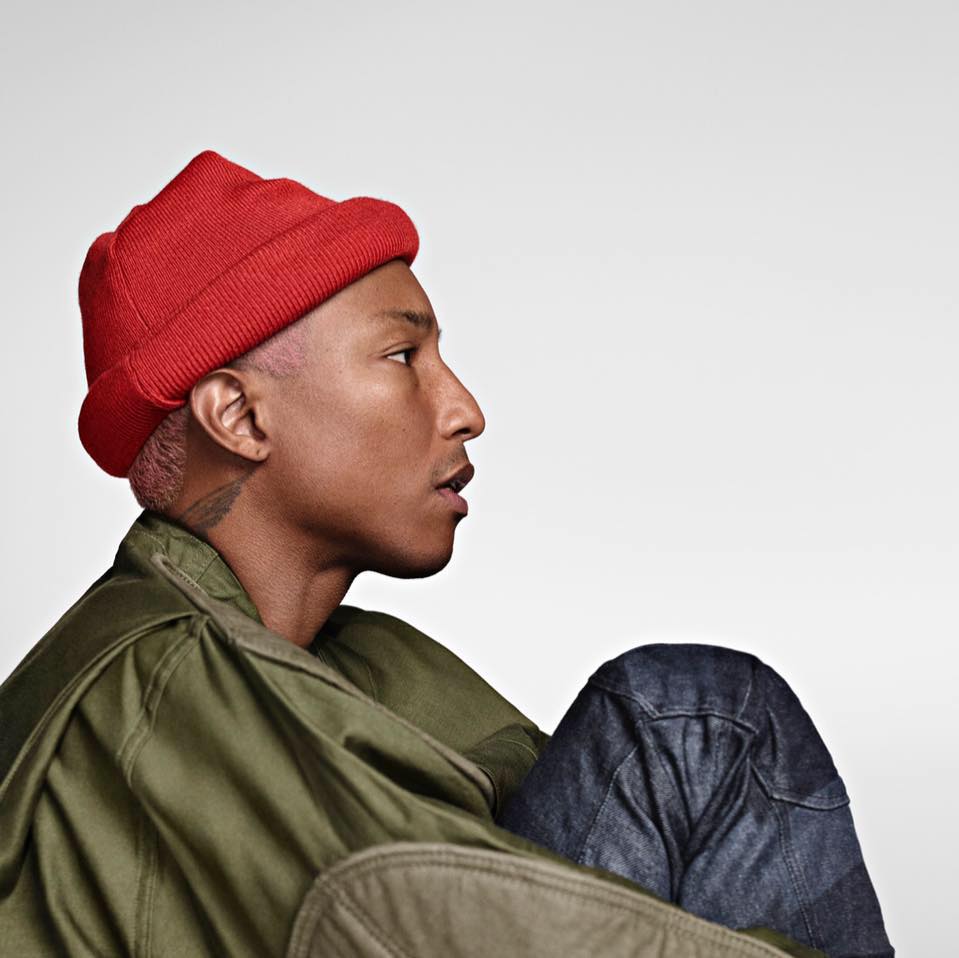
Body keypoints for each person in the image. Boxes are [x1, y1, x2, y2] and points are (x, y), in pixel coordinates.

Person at [0, 150, 892, 957]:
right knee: (693, 712)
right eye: (402, 356)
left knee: (695, 725)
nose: (465, 409)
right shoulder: (165, 679)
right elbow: (407, 920)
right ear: (239, 416)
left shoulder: (358, 659)